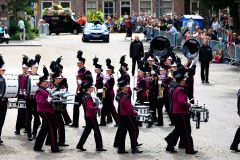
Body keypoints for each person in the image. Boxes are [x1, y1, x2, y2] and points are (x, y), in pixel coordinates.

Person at [166, 68, 197, 154]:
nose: (185, 81)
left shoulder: (175, 88)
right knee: (186, 131)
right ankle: (189, 149)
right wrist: (190, 105)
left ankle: (170, 146)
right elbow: (182, 102)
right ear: (181, 81)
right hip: (181, 113)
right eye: (184, 80)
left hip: (175, 112)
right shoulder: (179, 90)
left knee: (178, 129)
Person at [33, 66, 62, 153]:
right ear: (43, 82)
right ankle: (54, 148)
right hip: (44, 111)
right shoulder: (39, 91)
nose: (48, 83)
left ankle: (37, 146)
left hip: (48, 110)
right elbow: (40, 102)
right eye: (47, 82)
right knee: (53, 127)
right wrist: (48, 99)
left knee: (44, 129)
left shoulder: (45, 90)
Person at [76, 81, 106, 152]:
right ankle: (99, 146)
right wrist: (98, 107)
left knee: (87, 131)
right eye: (92, 87)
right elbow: (90, 108)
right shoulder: (88, 97)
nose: (93, 88)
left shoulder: (85, 95)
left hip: (88, 116)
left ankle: (80, 145)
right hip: (91, 116)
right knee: (97, 131)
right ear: (89, 88)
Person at [116, 79, 143, 154]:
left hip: (122, 115)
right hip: (127, 115)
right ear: (123, 87)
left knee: (122, 132)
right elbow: (129, 109)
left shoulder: (119, 94)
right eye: (126, 87)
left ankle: (121, 149)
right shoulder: (125, 96)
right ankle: (134, 148)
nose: (128, 88)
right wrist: (135, 112)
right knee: (133, 130)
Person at [69, 50, 93, 128]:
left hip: (84, 92)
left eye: (78, 62)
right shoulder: (78, 70)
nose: (77, 63)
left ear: (82, 62)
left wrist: (82, 82)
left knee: (86, 108)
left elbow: (90, 81)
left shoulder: (86, 71)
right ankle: (75, 123)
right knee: (75, 107)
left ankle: (88, 123)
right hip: (78, 91)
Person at [99, 59, 120, 126]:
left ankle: (118, 121)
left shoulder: (111, 77)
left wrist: (106, 83)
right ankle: (102, 122)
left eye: (108, 70)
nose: (107, 71)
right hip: (105, 93)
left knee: (111, 108)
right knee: (103, 108)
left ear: (111, 71)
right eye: (106, 70)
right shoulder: (106, 76)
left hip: (110, 94)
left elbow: (110, 86)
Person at [26, 54, 41, 141]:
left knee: (36, 116)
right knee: (29, 117)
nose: (36, 68)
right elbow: (23, 87)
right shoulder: (27, 77)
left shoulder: (39, 77)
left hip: (36, 100)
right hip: (29, 99)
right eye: (35, 67)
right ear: (31, 67)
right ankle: (29, 134)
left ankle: (34, 133)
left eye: (37, 67)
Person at [15, 55, 29, 135]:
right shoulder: (19, 76)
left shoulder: (29, 77)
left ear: (28, 68)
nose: (24, 69)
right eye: (23, 68)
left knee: (27, 112)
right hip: (20, 95)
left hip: (26, 95)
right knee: (19, 112)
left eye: (25, 68)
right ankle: (17, 129)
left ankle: (27, 127)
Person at [0, 55, 7, 144]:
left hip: (3, 102)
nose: (4, 71)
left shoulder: (4, 79)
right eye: (3, 70)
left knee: (1, 120)